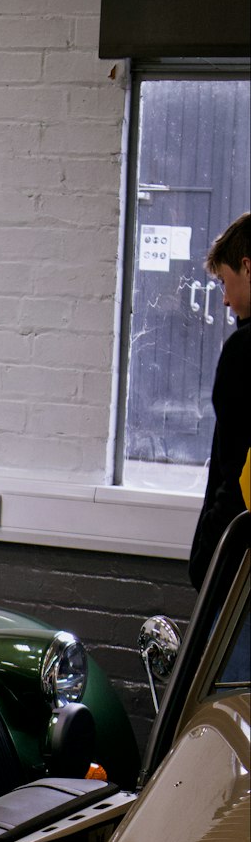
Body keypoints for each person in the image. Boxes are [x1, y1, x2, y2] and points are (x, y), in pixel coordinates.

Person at [188, 212, 251, 589]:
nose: (225, 300)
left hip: (239, 564)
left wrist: (206, 558)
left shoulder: (244, 350)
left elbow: (235, 469)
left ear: (248, 266)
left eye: (226, 283)